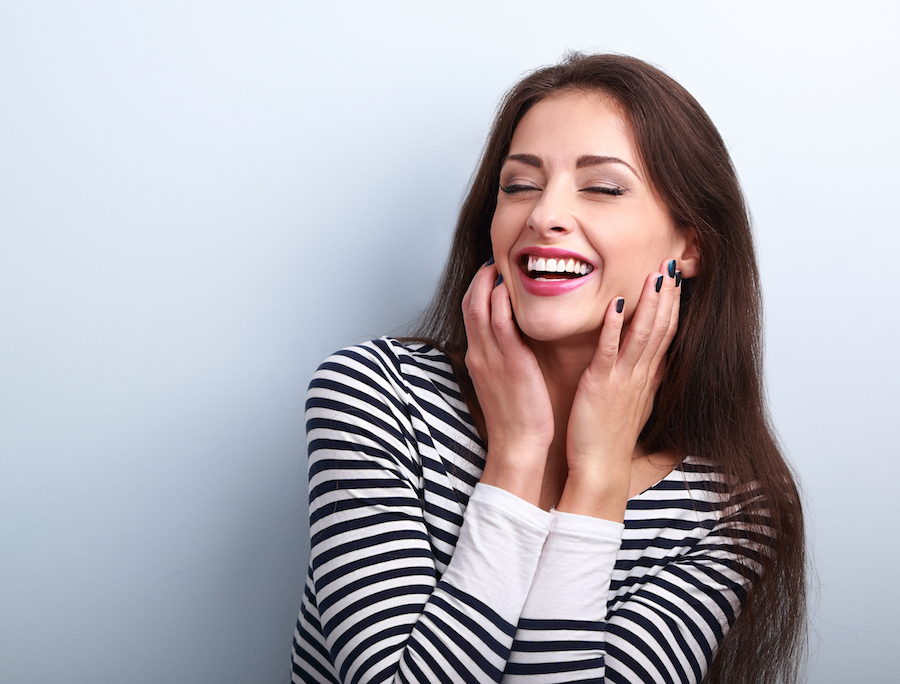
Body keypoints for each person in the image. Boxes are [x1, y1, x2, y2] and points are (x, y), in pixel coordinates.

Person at [291, 53, 806, 684]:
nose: (543, 215)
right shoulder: (376, 395)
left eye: (603, 187)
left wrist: (596, 481)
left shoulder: (733, 506)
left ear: (690, 245)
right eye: (519, 185)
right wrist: (517, 455)